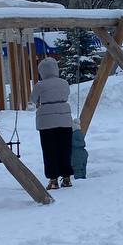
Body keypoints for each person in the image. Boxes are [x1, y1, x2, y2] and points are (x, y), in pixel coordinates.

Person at [31, 56, 73, 190]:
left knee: (49, 150)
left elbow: (33, 99)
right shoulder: (64, 83)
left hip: (46, 121)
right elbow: (66, 94)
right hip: (64, 119)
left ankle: (53, 180)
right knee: (65, 149)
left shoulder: (40, 85)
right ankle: (66, 178)